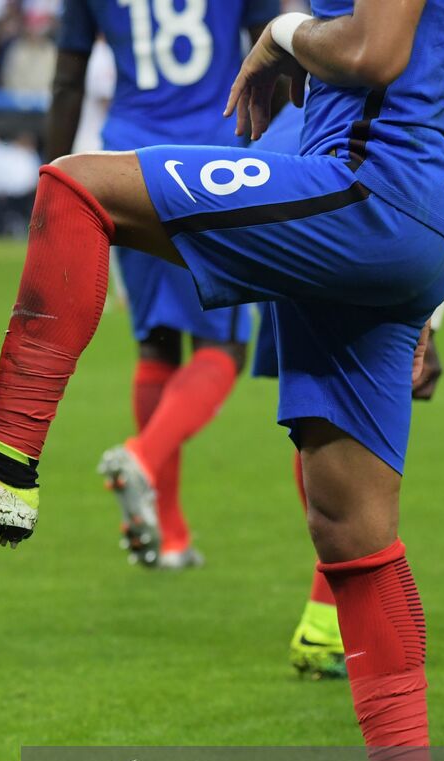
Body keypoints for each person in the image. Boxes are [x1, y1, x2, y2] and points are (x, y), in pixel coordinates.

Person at [0, 1, 444, 761]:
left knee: (76, 185)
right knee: (349, 525)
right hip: (398, 226)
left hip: (361, 198)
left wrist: (283, 33)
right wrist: (431, 266)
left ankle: (4, 466)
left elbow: (371, 54)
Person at [251, 41, 444, 679]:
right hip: (361, 220)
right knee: (355, 428)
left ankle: (324, 619)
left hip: (276, 194)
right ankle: (339, 629)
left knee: (315, 417)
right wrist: (427, 321)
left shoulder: (375, 46)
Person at [47, 0, 278, 569]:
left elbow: (66, 79)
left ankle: (169, 535)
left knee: (156, 341)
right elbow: (274, 53)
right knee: (223, 343)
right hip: (214, 157)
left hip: (124, 158)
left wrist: (51, 176)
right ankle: (142, 456)